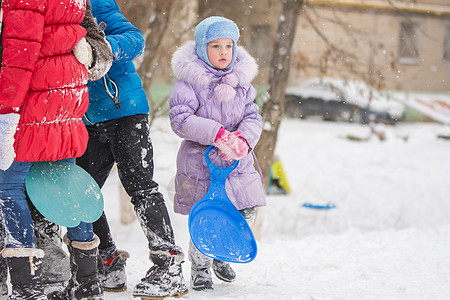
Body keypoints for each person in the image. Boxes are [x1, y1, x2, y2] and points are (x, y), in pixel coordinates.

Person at [75, 0, 189, 298]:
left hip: (125, 112)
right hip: (86, 119)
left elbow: (135, 40)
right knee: (82, 193)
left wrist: (99, 46)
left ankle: (168, 265)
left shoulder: (97, 6)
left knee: (140, 186)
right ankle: (107, 260)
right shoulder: (56, 15)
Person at [0, 0, 112, 299]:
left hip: (33, 98)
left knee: (8, 186)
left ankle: (27, 286)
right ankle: (87, 282)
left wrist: (6, 112)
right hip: (67, 96)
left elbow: (20, 56)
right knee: (64, 180)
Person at [168, 16, 266, 290]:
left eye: (228, 46)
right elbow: (180, 119)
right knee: (209, 215)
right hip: (203, 163)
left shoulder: (242, 83)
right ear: (201, 48)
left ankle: (221, 252)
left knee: (245, 211)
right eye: (216, 46)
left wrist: (244, 139)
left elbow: (252, 115)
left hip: (237, 162)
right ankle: (200, 266)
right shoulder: (190, 83)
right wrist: (218, 135)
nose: (224, 53)